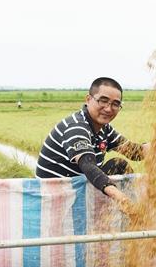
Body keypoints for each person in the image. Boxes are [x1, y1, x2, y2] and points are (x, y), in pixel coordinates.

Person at [35, 77, 148, 207]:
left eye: (115, 104)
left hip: (78, 190)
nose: (108, 108)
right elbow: (88, 165)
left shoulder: (104, 129)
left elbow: (135, 153)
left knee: (119, 165)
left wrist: (152, 148)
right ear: (88, 100)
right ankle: (131, 208)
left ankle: (135, 208)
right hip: (55, 198)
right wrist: (122, 199)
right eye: (103, 101)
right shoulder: (76, 126)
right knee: (107, 176)